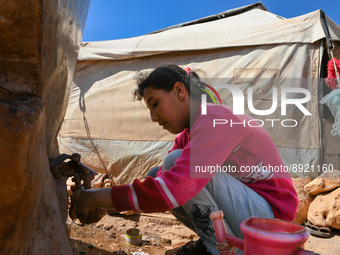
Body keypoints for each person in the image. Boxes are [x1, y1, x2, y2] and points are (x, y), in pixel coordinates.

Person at [69, 64, 299, 255]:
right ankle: (214, 243)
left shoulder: (215, 119)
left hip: (274, 224)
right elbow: (160, 186)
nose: (153, 117)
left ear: (180, 91)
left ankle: (229, 251)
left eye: (155, 103)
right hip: (249, 216)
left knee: (175, 172)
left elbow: (175, 188)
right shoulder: (187, 135)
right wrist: (104, 206)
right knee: (157, 173)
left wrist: (96, 196)